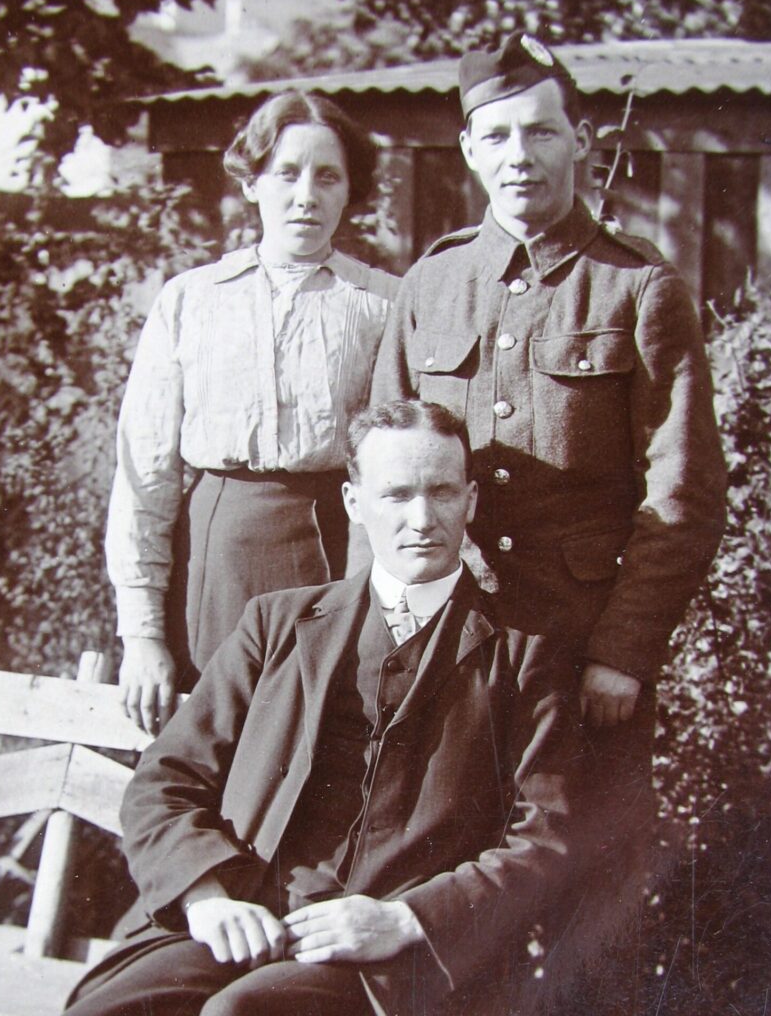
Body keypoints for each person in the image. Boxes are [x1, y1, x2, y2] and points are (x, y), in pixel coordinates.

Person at [64, 401, 587, 1016]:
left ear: (470, 501)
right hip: (243, 913)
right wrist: (208, 898)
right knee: (111, 1008)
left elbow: (549, 834)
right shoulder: (276, 623)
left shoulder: (527, 653)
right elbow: (165, 780)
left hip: (391, 957)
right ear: (353, 504)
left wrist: (404, 920)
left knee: (241, 1014)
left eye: (442, 492)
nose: (422, 519)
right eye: (396, 495)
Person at [371, 33, 726, 733]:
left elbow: (682, 490)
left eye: (540, 132)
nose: (518, 156)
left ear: (581, 140)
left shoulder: (635, 287)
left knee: (582, 837)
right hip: (446, 628)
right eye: (496, 136)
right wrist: (391, 619)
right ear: (470, 150)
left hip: (581, 644)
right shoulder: (431, 283)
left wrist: (624, 649)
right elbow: (383, 466)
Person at [106, 91, 399, 734]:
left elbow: (395, 470)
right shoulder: (191, 300)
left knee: (319, 749)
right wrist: (143, 635)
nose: (306, 195)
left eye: (328, 176)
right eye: (287, 173)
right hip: (213, 556)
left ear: (351, 190)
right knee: (210, 749)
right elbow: (144, 473)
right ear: (251, 181)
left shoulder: (382, 305)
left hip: (335, 550)